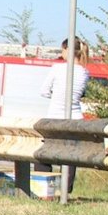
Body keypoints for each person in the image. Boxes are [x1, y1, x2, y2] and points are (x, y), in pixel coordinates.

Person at [38, 37, 90, 195]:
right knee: (69, 156)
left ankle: (45, 189)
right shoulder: (84, 72)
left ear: (67, 50)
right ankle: (65, 191)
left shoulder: (57, 68)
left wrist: (55, 95)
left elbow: (44, 91)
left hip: (55, 117)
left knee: (44, 155)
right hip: (75, 119)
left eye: (62, 50)